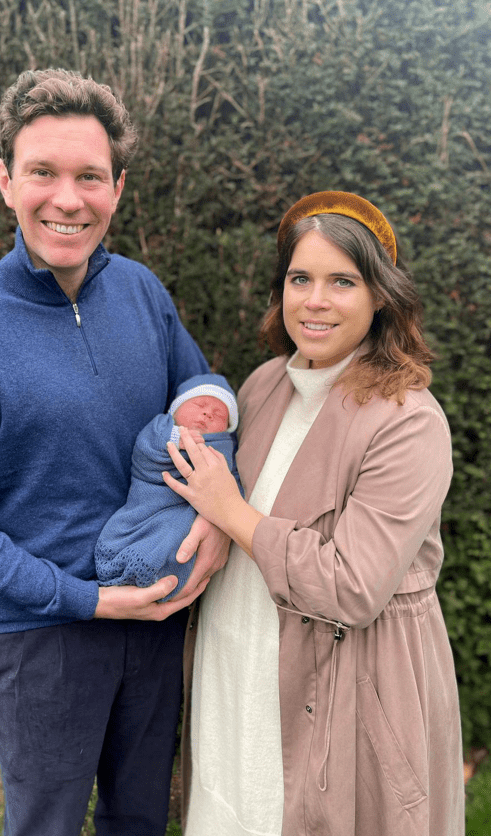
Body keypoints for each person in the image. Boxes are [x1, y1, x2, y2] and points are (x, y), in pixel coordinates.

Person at [0, 68, 230, 836]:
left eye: (89, 176)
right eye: (42, 172)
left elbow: (206, 407)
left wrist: (218, 520)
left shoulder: (144, 292)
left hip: (159, 625)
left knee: (142, 820)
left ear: (117, 187)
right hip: (43, 644)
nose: (68, 199)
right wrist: (88, 599)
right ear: (5, 181)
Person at [164, 192, 465, 836]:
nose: (315, 301)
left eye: (342, 282)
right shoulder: (265, 383)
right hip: (235, 665)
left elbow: (351, 587)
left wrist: (230, 510)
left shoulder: (408, 421)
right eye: (300, 279)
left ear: (381, 295)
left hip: (345, 688)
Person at [95, 373, 239, 600]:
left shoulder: (225, 447)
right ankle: (123, 566)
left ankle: (166, 580)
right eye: (200, 405)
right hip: (153, 498)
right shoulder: (162, 426)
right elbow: (145, 450)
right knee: (143, 531)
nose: (207, 413)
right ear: (176, 409)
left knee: (178, 535)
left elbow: (232, 483)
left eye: (219, 413)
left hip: (186, 510)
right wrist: (175, 439)